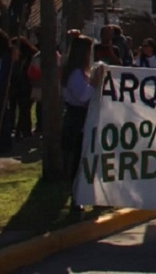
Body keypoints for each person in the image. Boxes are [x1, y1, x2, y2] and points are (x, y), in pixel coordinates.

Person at [61, 35, 105, 211]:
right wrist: (94, 83)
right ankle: (77, 198)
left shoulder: (80, 71)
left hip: (83, 117)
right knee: (79, 159)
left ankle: (88, 196)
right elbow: (83, 96)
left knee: (86, 158)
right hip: (77, 118)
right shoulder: (75, 74)